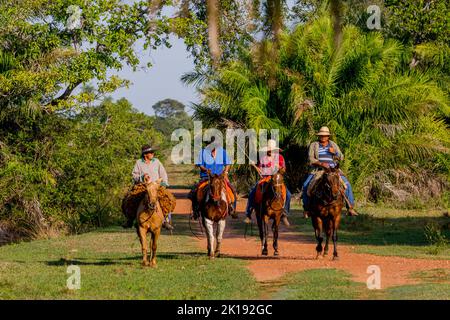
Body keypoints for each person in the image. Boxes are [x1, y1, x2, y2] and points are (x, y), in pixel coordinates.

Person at [302, 126, 358, 218]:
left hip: (333, 170)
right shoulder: (314, 145)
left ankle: (350, 207)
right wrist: (321, 163)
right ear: (319, 136)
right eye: (321, 135)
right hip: (318, 170)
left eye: (325, 136)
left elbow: (341, 157)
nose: (323, 137)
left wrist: (334, 153)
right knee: (305, 185)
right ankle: (307, 209)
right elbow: (310, 158)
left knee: (347, 184)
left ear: (328, 136)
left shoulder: (333, 144)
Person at [244, 139, 291, 226]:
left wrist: (279, 167)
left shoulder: (280, 157)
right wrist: (256, 167)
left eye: (272, 150)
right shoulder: (263, 158)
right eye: (269, 150)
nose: (270, 151)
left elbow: (283, 170)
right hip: (265, 178)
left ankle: (284, 214)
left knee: (288, 194)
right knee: (252, 193)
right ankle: (248, 214)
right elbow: (260, 170)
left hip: (277, 179)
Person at [126, 144, 174, 230]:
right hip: (143, 186)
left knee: (168, 199)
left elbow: (163, 173)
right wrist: (142, 177)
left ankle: (166, 220)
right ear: (145, 154)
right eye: (150, 152)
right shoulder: (138, 162)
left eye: (152, 152)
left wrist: (163, 183)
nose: (152, 154)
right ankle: (131, 219)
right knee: (131, 198)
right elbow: (134, 175)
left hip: (156, 186)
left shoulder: (157, 162)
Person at [188, 137, 238, 220]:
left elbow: (228, 164)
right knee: (194, 191)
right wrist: (206, 170)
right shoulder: (203, 152)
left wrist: (225, 173)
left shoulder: (222, 152)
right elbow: (200, 165)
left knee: (232, 190)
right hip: (206, 177)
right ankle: (195, 211)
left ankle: (232, 209)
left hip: (219, 177)